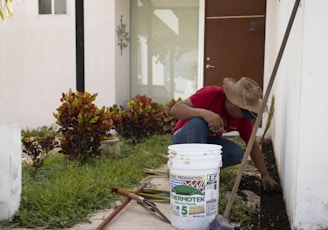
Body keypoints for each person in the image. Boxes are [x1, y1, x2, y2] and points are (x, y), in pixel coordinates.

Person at [170, 77, 278, 190]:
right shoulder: (212, 93)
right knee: (198, 122)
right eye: (244, 111)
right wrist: (204, 113)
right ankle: (195, 176)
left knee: (236, 153)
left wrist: (265, 175)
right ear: (232, 101)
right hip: (183, 141)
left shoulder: (242, 119)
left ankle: (206, 173)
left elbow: (252, 144)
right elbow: (175, 109)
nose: (243, 116)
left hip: (206, 142)